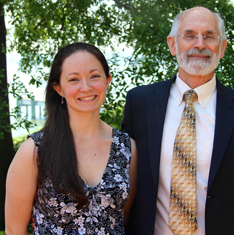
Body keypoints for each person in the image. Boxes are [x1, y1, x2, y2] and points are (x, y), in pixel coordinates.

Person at [122, 7, 234, 235]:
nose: (200, 44)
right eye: (189, 36)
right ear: (172, 44)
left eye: (209, 36)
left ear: (222, 48)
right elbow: (124, 184)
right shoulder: (140, 103)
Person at [5, 42, 137, 235]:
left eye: (94, 76)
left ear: (108, 80)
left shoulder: (127, 148)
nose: (86, 87)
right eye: (74, 79)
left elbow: (123, 220)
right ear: (59, 88)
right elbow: (14, 230)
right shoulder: (34, 151)